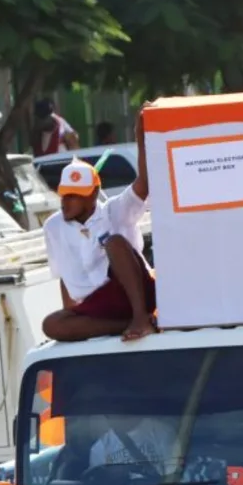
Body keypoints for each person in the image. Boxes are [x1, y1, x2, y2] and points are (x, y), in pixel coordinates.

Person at [42, 128, 154, 343]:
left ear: (92, 194)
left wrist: (140, 135)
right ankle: (124, 325)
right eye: (64, 194)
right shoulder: (52, 226)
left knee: (114, 242)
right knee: (51, 325)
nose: (66, 201)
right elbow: (65, 276)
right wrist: (71, 315)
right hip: (97, 306)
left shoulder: (114, 211)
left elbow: (143, 184)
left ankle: (141, 318)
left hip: (131, 293)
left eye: (74, 196)